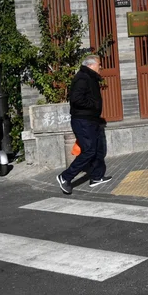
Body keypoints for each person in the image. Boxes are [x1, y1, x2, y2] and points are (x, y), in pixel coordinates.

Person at [57, 55, 111, 194]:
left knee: (98, 149)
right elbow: (76, 99)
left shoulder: (90, 78)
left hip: (91, 120)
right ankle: (65, 177)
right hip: (83, 121)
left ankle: (96, 177)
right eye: (99, 64)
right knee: (89, 151)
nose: (101, 67)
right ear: (91, 65)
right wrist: (93, 106)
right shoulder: (82, 78)